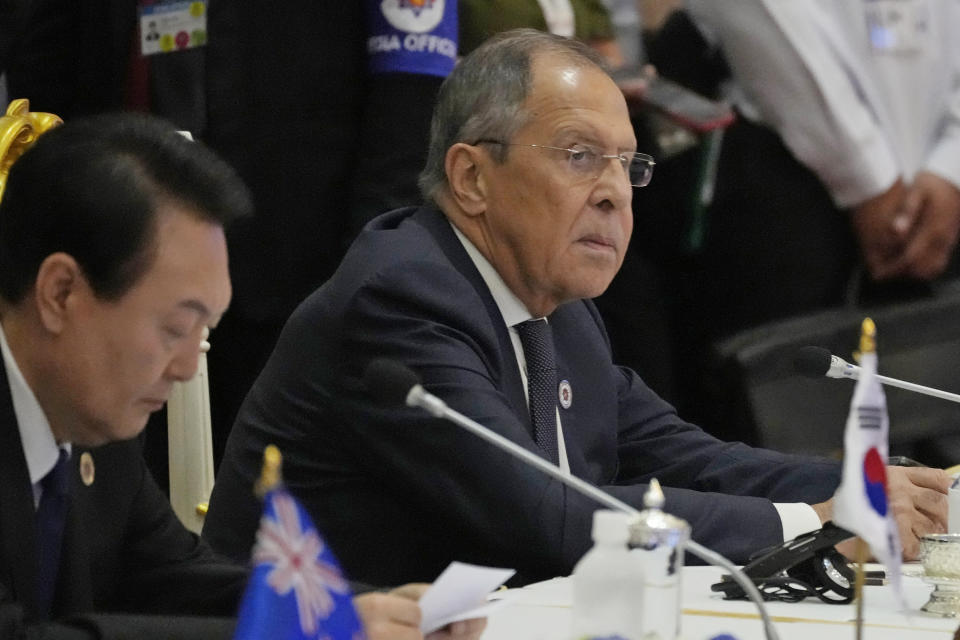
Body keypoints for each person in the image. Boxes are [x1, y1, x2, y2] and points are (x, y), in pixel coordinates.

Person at [203, 29, 949, 587]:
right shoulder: (402, 300)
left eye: (628, 165)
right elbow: (546, 517)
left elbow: (690, 457)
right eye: (578, 155)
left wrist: (864, 482)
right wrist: (811, 526)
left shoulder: (556, 305)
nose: (615, 192)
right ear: (471, 177)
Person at [0, 110, 482, 640]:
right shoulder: (92, 402)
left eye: (205, 328)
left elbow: (175, 579)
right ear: (61, 293)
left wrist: (364, 609)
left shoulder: (94, 422)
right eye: (175, 328)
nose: (188, 367)